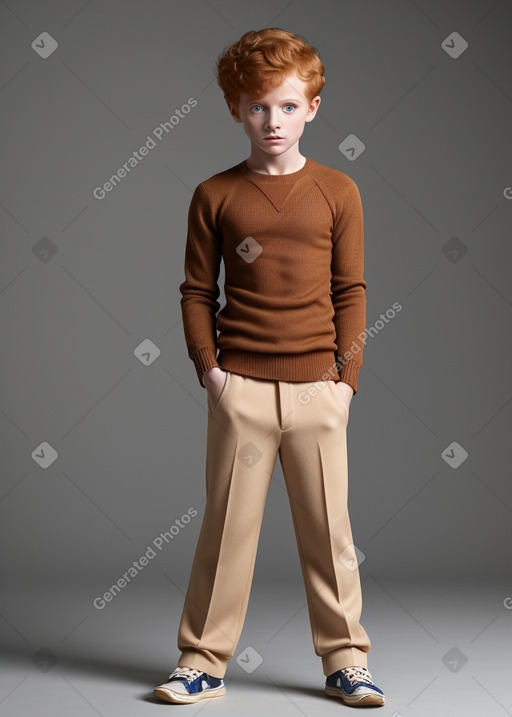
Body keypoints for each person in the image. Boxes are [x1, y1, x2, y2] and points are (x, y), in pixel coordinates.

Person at [154, 27, 386, 707]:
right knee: (226, 532)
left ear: (312, 106)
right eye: (257, 107)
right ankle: (201, 662)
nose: (272, 121)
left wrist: (346, 382)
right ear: (234, 110)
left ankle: (348, 660)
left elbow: (352, 291)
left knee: (330, 532)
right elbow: (197, 291)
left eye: (286, 106)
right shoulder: (215, 195)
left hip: (320, 388)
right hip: (242, 388)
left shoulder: (339, 191)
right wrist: (212, 372)